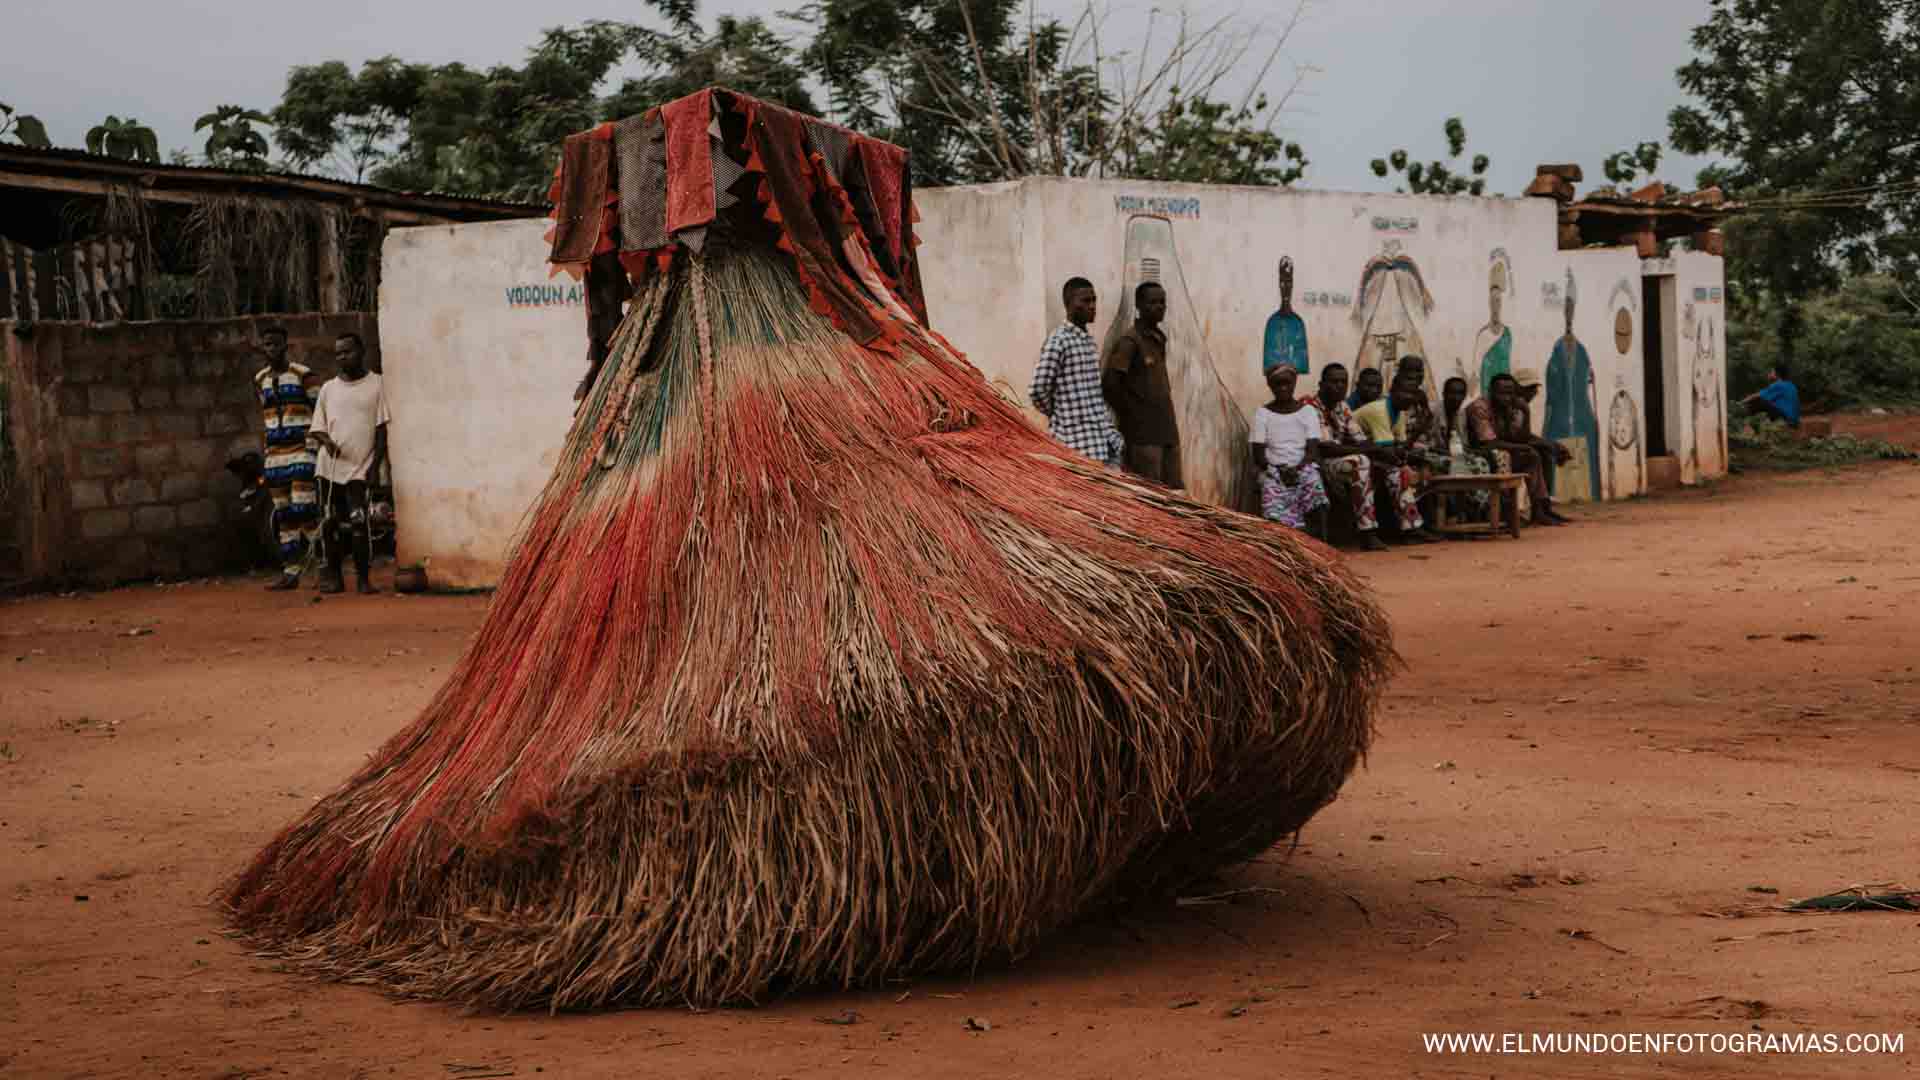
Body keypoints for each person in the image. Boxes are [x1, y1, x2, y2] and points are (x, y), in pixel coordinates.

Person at [309, 332, 391, 595]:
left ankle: (364, 579)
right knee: (330, 524)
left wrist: (375, 467)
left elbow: (381, 431)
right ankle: (334, 578)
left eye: (348, 351)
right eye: (338, 353)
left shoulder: (377, 384)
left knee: (359, 524)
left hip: (359, 469)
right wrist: (327, 442)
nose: (343, 357)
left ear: (361, 351)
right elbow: (318, 428)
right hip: (329, 469)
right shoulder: (328, 389)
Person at [252, 325, 321, 590]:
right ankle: (291, 571)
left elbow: (319, 410)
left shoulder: (303, 375)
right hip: (274, 456)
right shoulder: (260, 379)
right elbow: (265, 413)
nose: (272, 349)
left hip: (302, 451)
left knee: (304, 509)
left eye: (276, 344)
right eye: (267, 345)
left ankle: (325, 564)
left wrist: (314, 447)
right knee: (284, 516)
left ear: (285, 346)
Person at [1030, 276, 1123, 465]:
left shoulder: (1088, 342)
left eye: (1094, 300)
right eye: (1086, 301)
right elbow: (1037, 390)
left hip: (1102, 442)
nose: (1092, 306)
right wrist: (1059, 414)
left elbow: (1093, 396)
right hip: (1075, 446)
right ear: (1069, 304)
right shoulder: (1059, 341)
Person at [1102, 281, 1182, 487]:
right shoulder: (1130, 341)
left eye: (1162, 302)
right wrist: (1132, 414)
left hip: (1166, 431)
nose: (1159, 307)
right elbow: (1110, 384)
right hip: (1144, 437)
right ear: (1138, 305)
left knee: (1175, 493)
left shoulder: (1158, 338)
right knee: (1152, 493)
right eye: (1152, 302)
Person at [1464, 373, 1571, 526]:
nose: (1506, 398)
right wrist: (1526, 447)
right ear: (1491, 391)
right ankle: (1506, 512)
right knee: (1524, 453)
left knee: (1534, 454)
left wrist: (1526, 412)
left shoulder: (1510, 408)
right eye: (1502, 393)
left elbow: (1522, 437)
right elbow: (1489, 443)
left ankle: (1540, 510)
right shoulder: (1480, 408)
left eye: (1510, 393)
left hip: (1500, 453)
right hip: (1478, 456)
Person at [1304, 364, 1391, 552]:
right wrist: (1363, 450)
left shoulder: (1342, 407)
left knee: (1378, 463)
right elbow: (1325, 448)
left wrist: (1373, 450)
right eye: (1334, 381)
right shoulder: (1310, 407)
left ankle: (1392, 528)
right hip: (1315, 463)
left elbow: (1360, 438)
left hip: (1338, 459)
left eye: (1343, 382)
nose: (1339, 386)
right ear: (1321, 384)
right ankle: (1367, 532)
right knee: (1360, 461)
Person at [1351, 374, 1439, 542]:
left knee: (1415, 468)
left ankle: (1411, 527)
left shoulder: (1399, 413)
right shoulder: (1379, 410)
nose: (1409, 398)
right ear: (1392, 391)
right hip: (1355, 452)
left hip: (1373, 454)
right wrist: (1404, 461)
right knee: (1399, 472)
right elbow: (1388, 451)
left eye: (1413, 394)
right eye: (1404, 392)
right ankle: (1385, 531)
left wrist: (1418, 432)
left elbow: (1400, 447)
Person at [1543, 271, 1601, 501]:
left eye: (1571, 308)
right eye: (1565, 308)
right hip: (1558, 416)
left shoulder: (1583, 352)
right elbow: (1550, 393)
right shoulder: (1555, 353)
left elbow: (1587, 383)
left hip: (1581, 413)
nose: (1569, 313)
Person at [1249, 364, 1327, 533]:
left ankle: (1320, 542)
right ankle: (1282, 541)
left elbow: (1312, 451)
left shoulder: (1308, 412)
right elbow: (1258, 455)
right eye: (1277, 384)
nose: (1283, 388)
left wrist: (1297, 469)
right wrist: (1280, 470)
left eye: (1287, 383)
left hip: (1303, 467)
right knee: (1271, 489)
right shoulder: (1262, 414)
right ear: (1270, 386)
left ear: (1295, 382)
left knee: (1314, 485)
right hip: (1272, 469)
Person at [1262, 256, 1310, 376]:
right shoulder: (1272, 323)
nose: (1286, 287)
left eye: (1289, 282)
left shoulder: (1298, 323)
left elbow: (1301, 363)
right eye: (1282, 282)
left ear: (1293, 284)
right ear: (1279, 284)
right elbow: (1270, 366)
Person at [1740, 362, 1800, 428]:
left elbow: (1756, 396)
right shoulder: (1791, 385)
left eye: (1771, 372)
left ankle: (1742, 421)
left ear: (1777, 374)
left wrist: (1740, 403)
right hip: (1794, 420)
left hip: (1786, 419)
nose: (1769, 373)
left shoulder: (1778, 385)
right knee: (1764, 402)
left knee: (1757, 401)